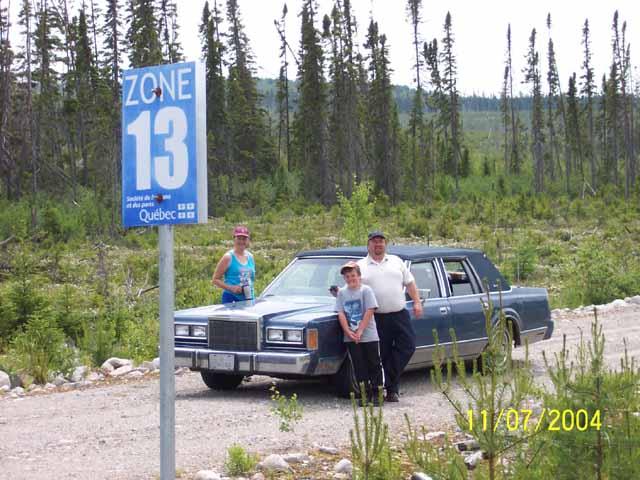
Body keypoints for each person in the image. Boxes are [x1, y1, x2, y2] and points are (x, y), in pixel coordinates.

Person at [357, 231, 423, 402]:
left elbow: (409, 283)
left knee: (408, 346)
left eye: (381, 242)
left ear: (385, 244)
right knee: (382, 353)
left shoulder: (396, 261)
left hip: (399, 313)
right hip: (376, 316)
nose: (378, 245)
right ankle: (391, 390)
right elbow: (352, 289)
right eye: (374, 242)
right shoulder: (360, 266)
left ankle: (385, 380)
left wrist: (416, 302)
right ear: (368, 244)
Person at [335, 261, 383, 405]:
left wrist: (360, 330)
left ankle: (377, 394)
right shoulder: (342, 293)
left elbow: (370, 310)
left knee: (373, 364)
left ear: (359, 276)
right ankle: (364, 394)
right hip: (351, 337)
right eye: (347, 277)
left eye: (353, 275)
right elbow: (341, 313)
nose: (350, 279)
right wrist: (348, 331)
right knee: (359, 366)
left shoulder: (365, 290)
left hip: (368, 335)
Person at [212, 226, 255, 304]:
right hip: (231, 298)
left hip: (248, 297)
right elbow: (215, 279)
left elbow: (251, 279)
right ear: (234, 239)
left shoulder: (250, 257)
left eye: (244, 239)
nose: (241, 241)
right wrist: (231, 288)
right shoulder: (228, 257)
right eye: (239, 238)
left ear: (248, 240)